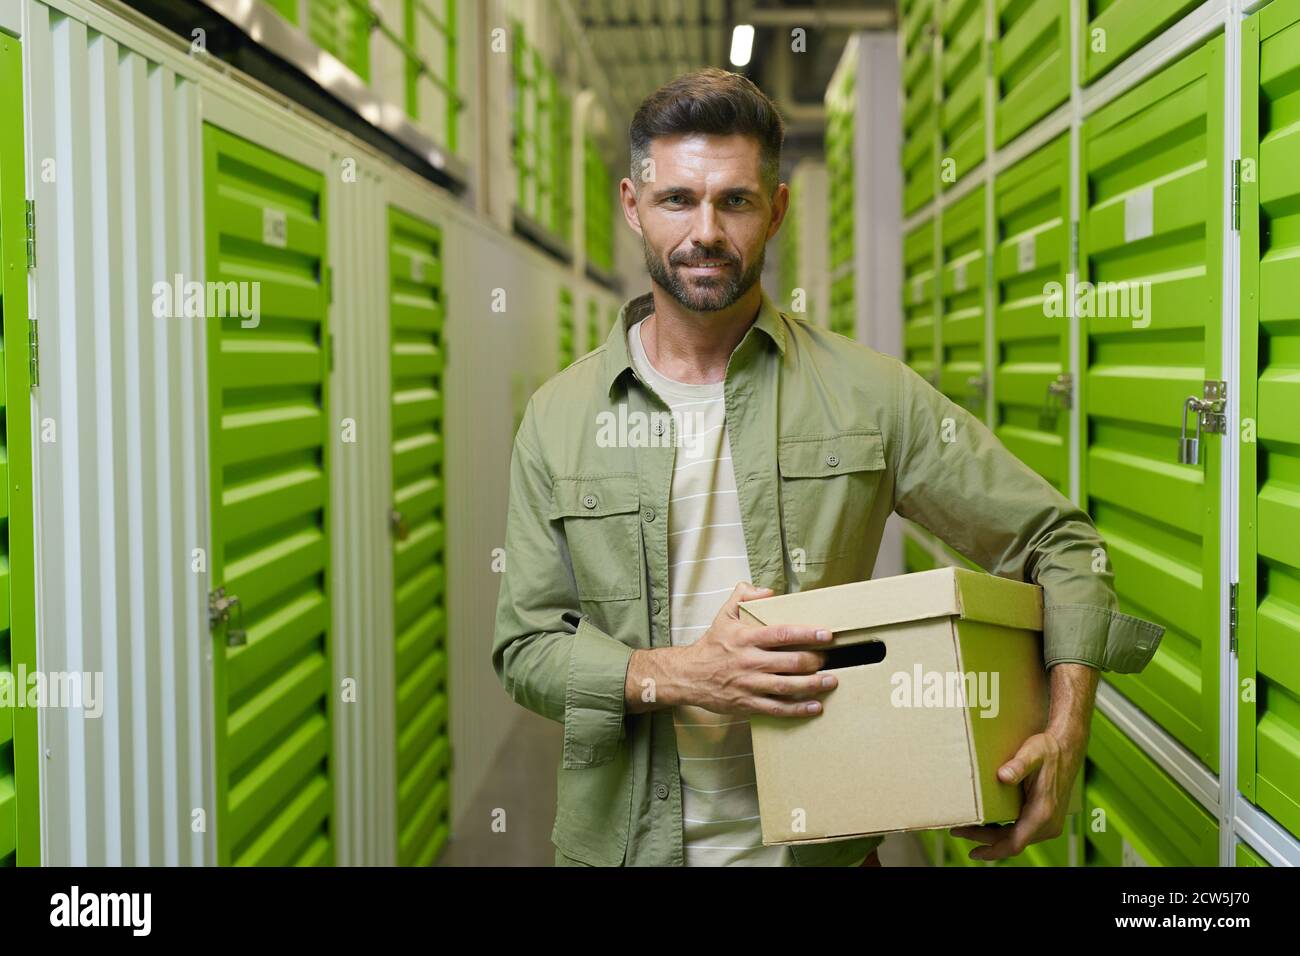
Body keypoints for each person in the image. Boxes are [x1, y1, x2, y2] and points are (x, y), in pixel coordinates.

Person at [493, 68, 1164, 867]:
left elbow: (1061, 544)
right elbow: (526, 648)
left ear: (774, 211)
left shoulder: (867, 393)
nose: (705, 230)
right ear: (633, 205)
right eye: (678, 198)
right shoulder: (559, 416)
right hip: (622, 851)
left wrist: (1065, 731)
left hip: (825, 853)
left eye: (735, 201)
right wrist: (680, 675)